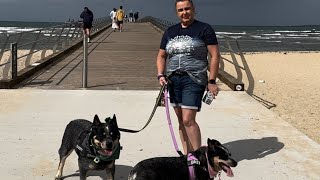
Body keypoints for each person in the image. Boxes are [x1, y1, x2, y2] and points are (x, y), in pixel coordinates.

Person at [156, 0, 220, 154]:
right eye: (180, 10)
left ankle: (199, 158)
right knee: (180, 121)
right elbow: (161, 55)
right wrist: (160, 74)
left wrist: (212, 81)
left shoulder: (204, 29)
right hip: (173, 80)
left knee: (188, 120)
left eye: (187, 9)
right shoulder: (170, 31)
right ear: (176, 13)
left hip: (194, 79)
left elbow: (215, 55)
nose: (184, 13)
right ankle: (187, 156)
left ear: (193, 9)